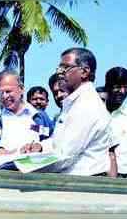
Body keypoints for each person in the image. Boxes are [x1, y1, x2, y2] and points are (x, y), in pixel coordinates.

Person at [24, 48, 114, 176]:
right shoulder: (74, 102)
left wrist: (24, 166)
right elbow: (58, 142)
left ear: (84, 72)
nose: (59, 74)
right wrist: (40, 147)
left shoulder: (87, 105)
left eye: (65, 68)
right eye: (58, 69)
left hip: (82, 186)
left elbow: (63, 157)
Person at [0, 70, 52, 161]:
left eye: (8, 91)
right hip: (0, 171)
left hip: (33, 171)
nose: (4, 96)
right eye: (0, 92)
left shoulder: (40, 117)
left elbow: (54, 141)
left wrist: (40, 146)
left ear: (21, 89)